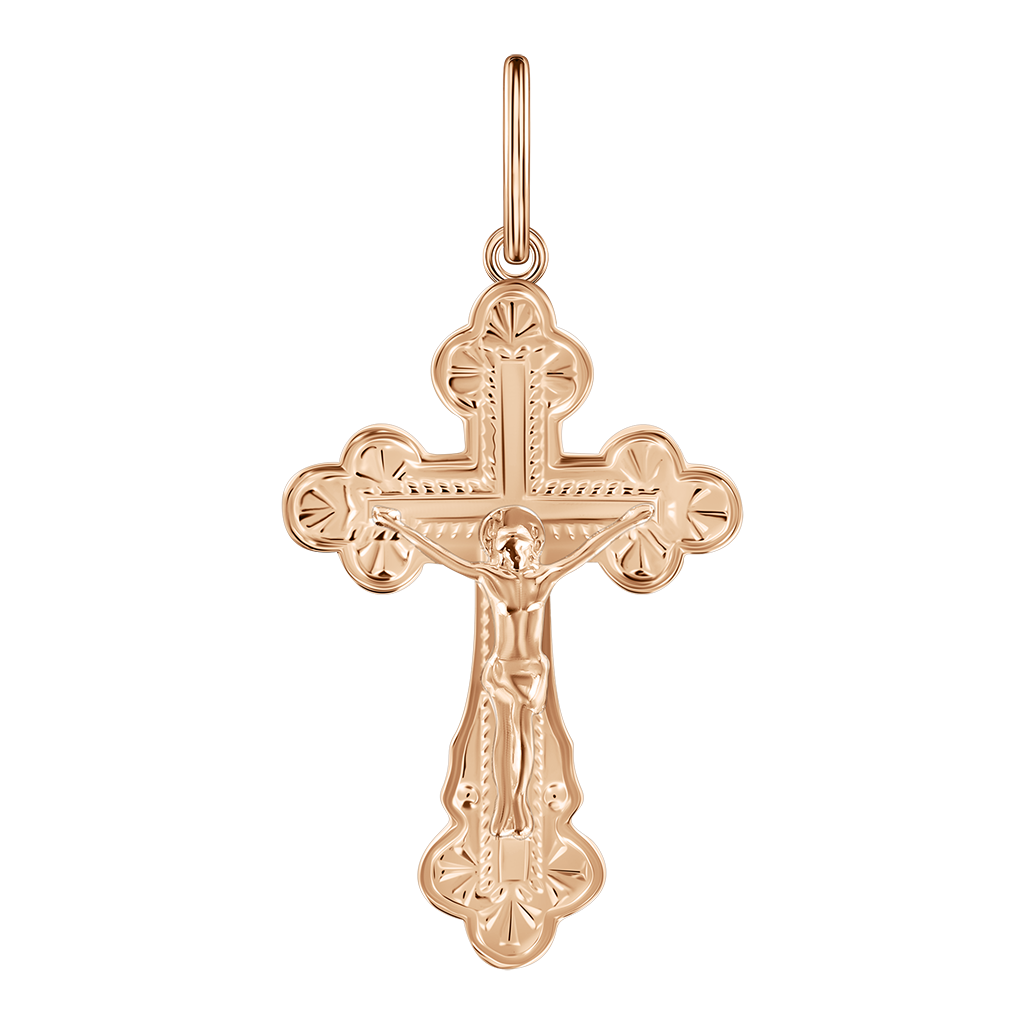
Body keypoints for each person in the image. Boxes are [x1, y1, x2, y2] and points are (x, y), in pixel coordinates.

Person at [371, 502, 654, 838]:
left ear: (532, 546)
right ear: (498, 550)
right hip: (503, 670)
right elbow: (443, 555)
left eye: (519, 544)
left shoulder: (543, 577)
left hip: (534, 672)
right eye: (506, 545)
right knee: (507, 736)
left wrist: (628, 522)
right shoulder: (490, 577)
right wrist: (399, 527)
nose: (514, 551)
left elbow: (588, 549)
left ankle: (520, 806)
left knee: (526, 736)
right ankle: (506, 807)